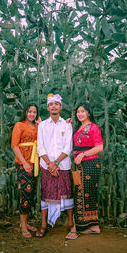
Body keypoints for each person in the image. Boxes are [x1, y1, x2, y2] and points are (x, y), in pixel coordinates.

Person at [36, 93, 74, 238]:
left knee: (66, 194)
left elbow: (68, 147)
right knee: (46, 195)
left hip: (63, 166)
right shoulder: (42, 126)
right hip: (46, 167)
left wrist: (56, 163)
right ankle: (44, 225)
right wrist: (49, 165)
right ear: (47, 108)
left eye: (56, 104)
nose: (54, 106)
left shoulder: (67, 125)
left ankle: (71, 223)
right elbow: (41, 147)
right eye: (51, 104)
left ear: (60, 107)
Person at [66, 102, 103, 240]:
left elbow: (100, 147)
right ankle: (93, 226)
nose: (80, 114)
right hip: (80, 165)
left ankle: (78, 227)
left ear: (89, 112)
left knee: (83, 194)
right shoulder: (78, 127)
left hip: (90, 164)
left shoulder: (93, 127)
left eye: (83, 111)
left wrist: (83, 154)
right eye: (78, 112)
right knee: (84, 194)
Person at [11, 102, 41, 239]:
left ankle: (26, 222)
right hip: (24, 163)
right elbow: (15, 146)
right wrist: (24, 163)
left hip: (35, 163)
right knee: (25, 192)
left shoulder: (37, 127)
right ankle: (22, 225)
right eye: (29, 111)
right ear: (25, 112)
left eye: (34, 112)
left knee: (31, 193)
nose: (32, 114)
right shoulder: (19, 125)